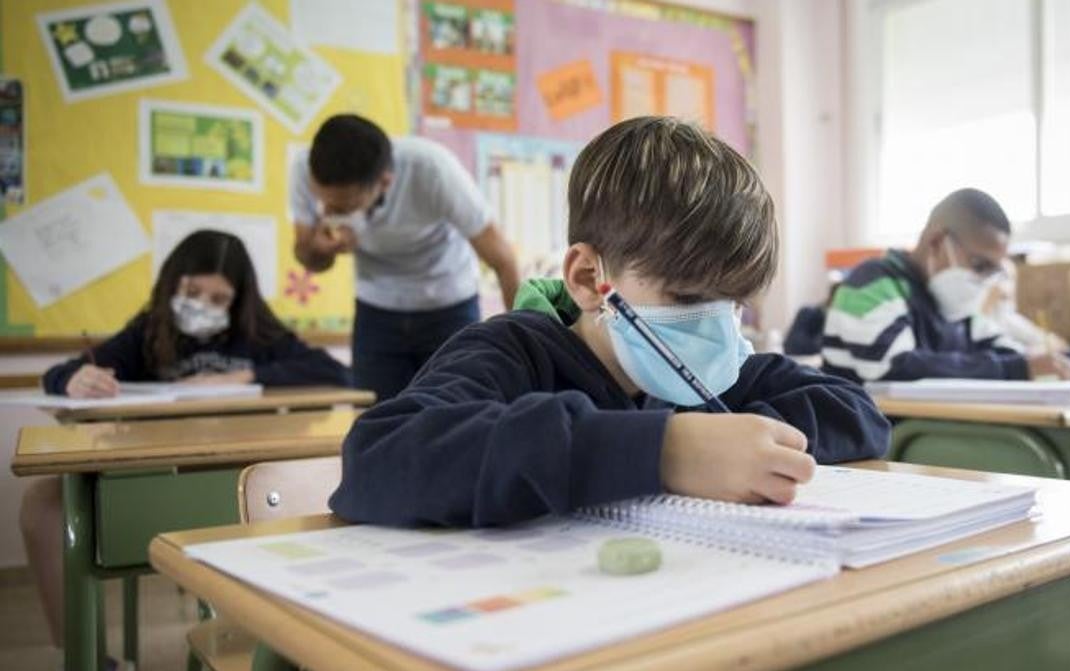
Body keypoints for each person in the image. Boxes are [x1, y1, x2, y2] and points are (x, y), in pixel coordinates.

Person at [329, 116, 891, 528]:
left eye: (735, 301)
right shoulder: (511, 352)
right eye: (689, 295)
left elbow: (859, 413)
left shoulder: (716, 373)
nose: (716, 325)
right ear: (588, 278)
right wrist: (664, 451)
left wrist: (747, 442)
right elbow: (378, 458)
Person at [22, 230, 348, 671]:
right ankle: (89, 662)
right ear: (173, 285)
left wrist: (249, 374)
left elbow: (335, 372)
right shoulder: (149, 330)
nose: (202, 305)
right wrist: (74, 377)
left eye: (219, 298)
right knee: (43, 505)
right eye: (192, 293)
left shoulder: (255, 333)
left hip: (242, 475)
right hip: (151, 477)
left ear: (238, 301)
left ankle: (304, 648)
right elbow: (59, 373)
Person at [290, 113, 521, 400]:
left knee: (459, 412)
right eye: (324, 202)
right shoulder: (304, 168)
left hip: (448, 303)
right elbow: (309, 257)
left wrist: (522, 343)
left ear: (385, 183)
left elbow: (503, 259)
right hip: (376, 309)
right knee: (375, 420)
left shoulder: (432, 169)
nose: (329, 212)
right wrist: (322, 250)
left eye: (343, 206)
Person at [821, 189, 1070, 383]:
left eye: (993, 270)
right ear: (936, 241)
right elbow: (896, 366)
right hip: (875, 440)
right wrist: (1016, 369)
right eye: (979, 265)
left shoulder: (954, 305)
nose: (984, 281)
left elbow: (1009, 352)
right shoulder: (873, 282)